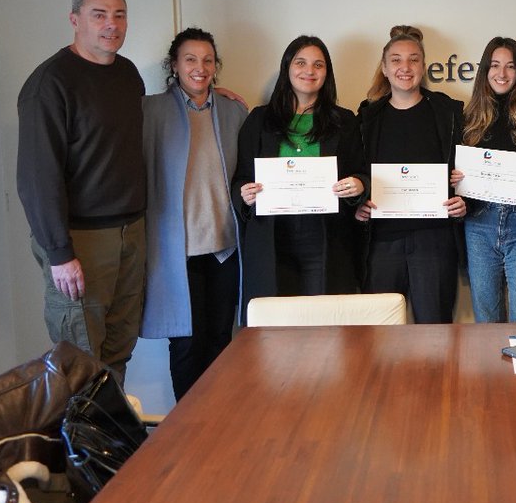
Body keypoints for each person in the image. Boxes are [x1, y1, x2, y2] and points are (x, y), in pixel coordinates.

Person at [16, 0, 145, 379]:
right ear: (75, 20)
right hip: (81, 242)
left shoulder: (127, 74)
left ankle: (112, 440)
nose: (112, 25)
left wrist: (207, 93)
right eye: (99, 15)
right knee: (81, 361)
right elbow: (38, 176)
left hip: (131, 232)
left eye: (119, 15)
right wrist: (60, 252)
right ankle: (81, 442)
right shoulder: (50, 84)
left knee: (119, 349)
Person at [141, 28, 247, 400]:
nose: (199, 68)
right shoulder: (150, 110)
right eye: (190, 59)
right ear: (174, 64)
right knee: (185, 345)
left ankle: (217, 425)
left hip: (223, 249)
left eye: (207, 60)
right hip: (177, 253)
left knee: (221, 341)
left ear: (216, 67)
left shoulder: (234, 110)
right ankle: (187, 430)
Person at [234, 36, 367, 314]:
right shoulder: (259, 120)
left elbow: (360, 172)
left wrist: (358, 185)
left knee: (325, 323)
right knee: (276, 327)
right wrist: (243, 194)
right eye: (301, 62)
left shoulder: (344, 120)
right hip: (272, 238)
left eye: (318, 65)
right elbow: (240, 179)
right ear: (287, 68)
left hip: (326, 238)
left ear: (327, 73)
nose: (310, 71)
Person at [355, 26, 466, 323]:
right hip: (381, 242)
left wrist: (463, 200)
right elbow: (357, 173)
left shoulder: (448, 113)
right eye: (396, 60)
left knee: (435, 331)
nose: (405, 68)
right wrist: (359, 204)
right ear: (385, 68)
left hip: (435, 241)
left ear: (424, 66)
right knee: (380, 334)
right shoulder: (367, 118)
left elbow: (466, 171)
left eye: (413, 60)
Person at [450, 37, 516, 323]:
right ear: (485, 70)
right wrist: (455, 181)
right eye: (495, 65)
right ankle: (490, 369)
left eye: (510, 67)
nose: (502, 74)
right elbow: (459, 182)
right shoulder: (468, 118)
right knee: (486, 317)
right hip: (479, 225)